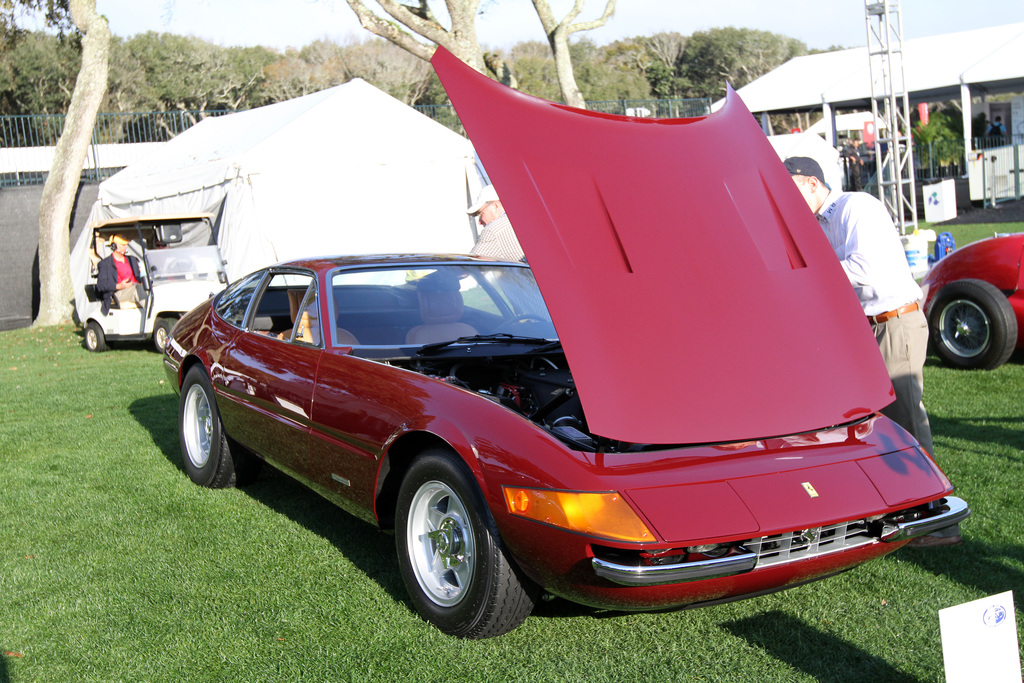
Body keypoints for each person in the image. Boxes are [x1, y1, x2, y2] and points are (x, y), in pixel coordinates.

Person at [785, 156, 960, 548]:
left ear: (812, 183)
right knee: (872, 424)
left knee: (907, 423)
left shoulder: (855, 207)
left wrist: (809, 270)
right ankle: (897, 507)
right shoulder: (823, 222)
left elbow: (863, 270)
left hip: (894, 322)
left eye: (790, 185)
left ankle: (939, 523)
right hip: (870, 329)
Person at [467, 185, 525, 262]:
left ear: (495, 206)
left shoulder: (494, 230)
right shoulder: (523, 218)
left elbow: (470, 266)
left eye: (480, 214)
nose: (479, 222)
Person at [96, 235, 143, 315]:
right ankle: (153, 315)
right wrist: (119, 286)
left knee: (148, 289)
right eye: (123, 245)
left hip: (135, 287)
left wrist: (143, 281)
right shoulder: (105, 264)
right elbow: (100, 285)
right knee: (138, 290)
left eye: (126, 244)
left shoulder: (132, 259)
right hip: (118, 292)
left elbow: (139, 277)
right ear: (114, 246)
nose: (126, 246)